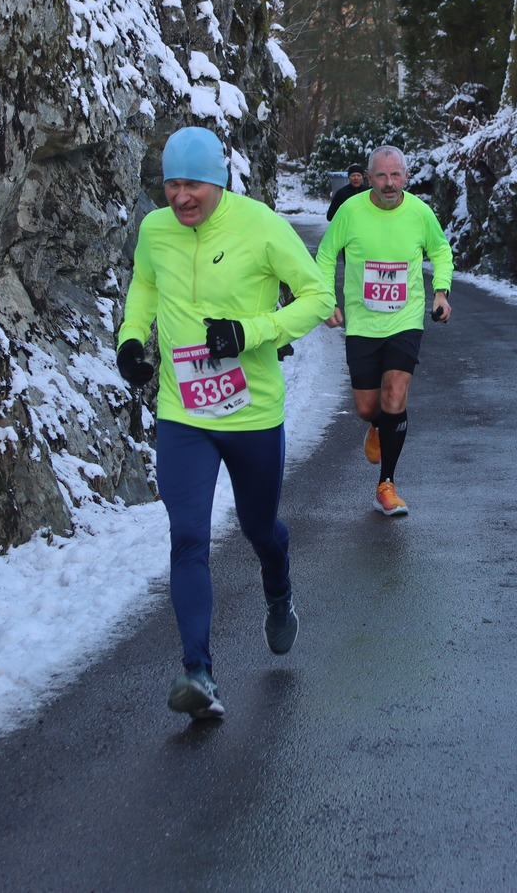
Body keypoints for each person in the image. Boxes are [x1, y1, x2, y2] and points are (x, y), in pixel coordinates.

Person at [116, 126, 334, 721]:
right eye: (171, 184)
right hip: (182, 410)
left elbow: (317, 296)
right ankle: (198, 672)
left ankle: (279, 589)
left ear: (219, 182)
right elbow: (144, 285)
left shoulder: (260, 225)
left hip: (250, 411)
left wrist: (250, 332)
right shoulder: (155, 229)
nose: (181, 197)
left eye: (194, 185)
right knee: (187, 535)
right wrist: (131, 339)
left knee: (259, 527)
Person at [314, 144, 453, 517]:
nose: (389, 183)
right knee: (367, 407)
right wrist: (326, 299)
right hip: (362, 321)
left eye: (395, 175)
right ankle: (377, 425)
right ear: (368, 178)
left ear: (406, 176)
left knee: (395, 392)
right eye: (381, 175)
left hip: (405, 320)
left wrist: (441, 292)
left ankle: (386, 485)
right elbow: (325, 255)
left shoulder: (420, 213)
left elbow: (441, 251)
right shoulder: (350, 211)